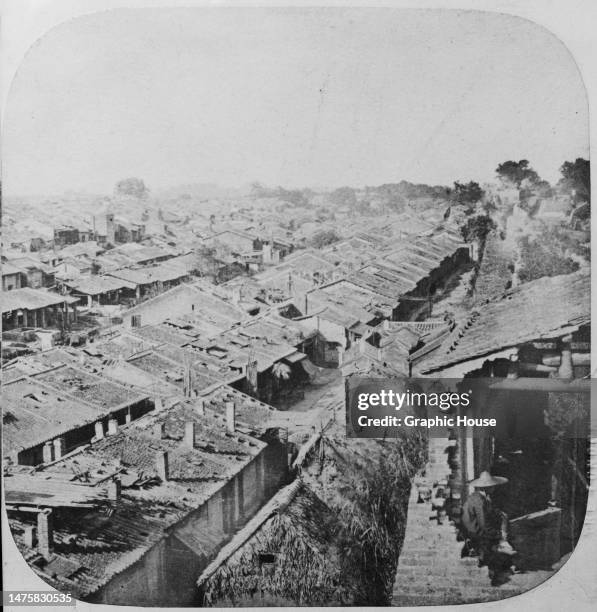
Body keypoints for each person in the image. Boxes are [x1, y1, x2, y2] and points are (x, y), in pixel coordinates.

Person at [461, 471, 515, 584]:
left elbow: (489, 513)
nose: (494, 488)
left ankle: (502, 553)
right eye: (492, 486)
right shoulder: (479, 501)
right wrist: (499, 534)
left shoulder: (482, 497)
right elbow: (484, 525)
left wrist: (500, 515)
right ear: (487, 487)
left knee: (503, 520)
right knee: (496, 545)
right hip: (475, 533)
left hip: (476, 530)